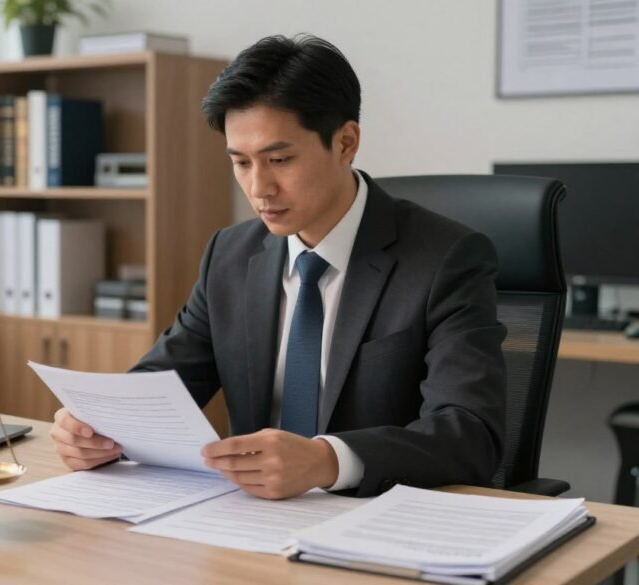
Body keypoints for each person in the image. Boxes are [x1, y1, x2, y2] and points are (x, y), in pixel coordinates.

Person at [49, 34, 506, 499]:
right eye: (241, 162)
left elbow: (469, 434)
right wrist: (98, 428)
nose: (259, 187)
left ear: (346, 142)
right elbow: (162, 386)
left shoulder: (446, 258)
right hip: (248, 522)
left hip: (374, 521)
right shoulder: (229, 255)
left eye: (280, 159)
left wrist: (327, 461)